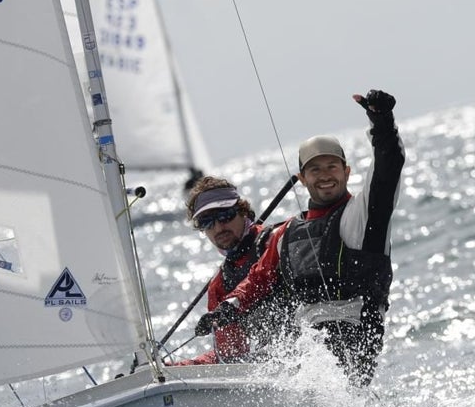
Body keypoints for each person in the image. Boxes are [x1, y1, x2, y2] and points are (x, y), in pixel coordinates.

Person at [195, 89, 405, 386]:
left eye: (332, 166)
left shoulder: (363, 215)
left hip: (354, 334)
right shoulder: (287, 234)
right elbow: (258, 278)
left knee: (310, 374)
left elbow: (388, 168)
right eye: (314, 169)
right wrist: (229, 307)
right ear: (302, 179)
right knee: (280, 367)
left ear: (346, 171)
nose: (324, 175)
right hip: (309, 345)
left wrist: (382, 122)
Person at [172, 177, 274, 365]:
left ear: (243, 211)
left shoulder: (274, 243)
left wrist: (232, 304)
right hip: (269, 368)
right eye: (207, 222)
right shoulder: (219, 285)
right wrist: (181, 367)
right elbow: (230, 355)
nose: (219, 228)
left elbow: (260, 276)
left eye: (225, 216)